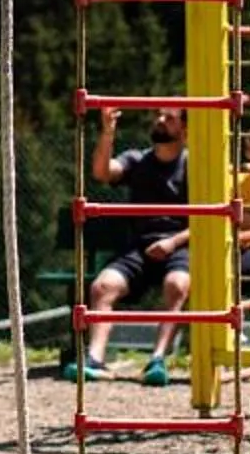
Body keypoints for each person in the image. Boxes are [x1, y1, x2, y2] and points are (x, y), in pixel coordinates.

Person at [71, 106, 191, 385]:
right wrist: (108, 131)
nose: (160, 121)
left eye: (169, 118)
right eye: (158, 116)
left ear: (184, 130)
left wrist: (172, 242)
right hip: (139, 248)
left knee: (177, 285)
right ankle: (95, 359)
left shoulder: (192, 166)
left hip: (179, 246)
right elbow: (102, 172)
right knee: (102, 286)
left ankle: (157, 359)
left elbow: (208, 216)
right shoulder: (138, 160)